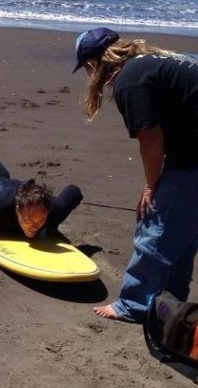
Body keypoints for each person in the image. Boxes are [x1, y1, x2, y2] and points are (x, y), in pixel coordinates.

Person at [74, 27, 198, 322]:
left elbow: (151, 140)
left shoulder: (130, 80)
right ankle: (170, 297)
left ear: (93, 65)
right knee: (184, 227)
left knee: (155, 224)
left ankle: (135, 304)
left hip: (193, 156)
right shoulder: (157, 61)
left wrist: (150, 186)